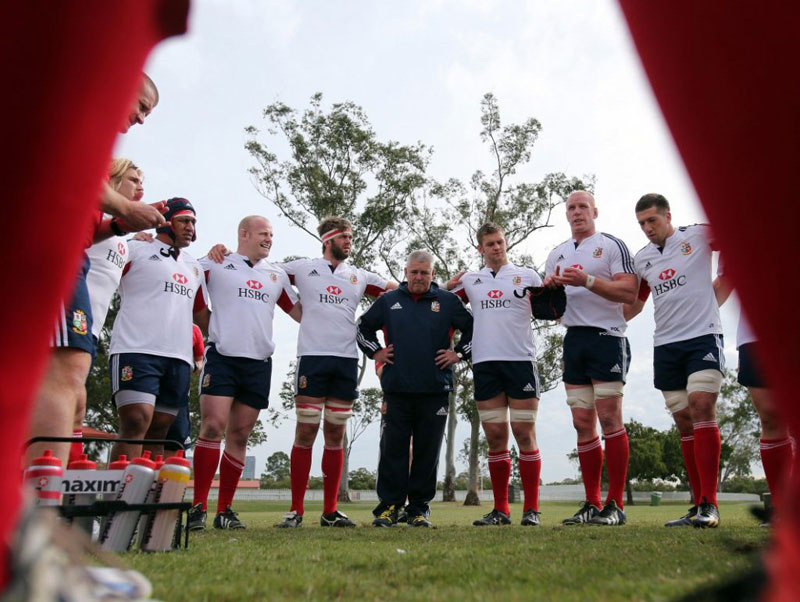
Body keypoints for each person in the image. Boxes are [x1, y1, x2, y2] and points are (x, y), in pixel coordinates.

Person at [26, 77, 167, 466]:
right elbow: (75, 171)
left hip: (71, 256)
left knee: (72, 383)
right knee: (65, 373)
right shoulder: (82, 120)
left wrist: (122, 222)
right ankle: (39, 497)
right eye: (140, 106)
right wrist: (126, 209)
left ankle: (46, 482)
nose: (140, 119)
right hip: (55, 256)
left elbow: (88, 226)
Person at [275, 217, 396, 528]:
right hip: (312, 359)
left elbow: (397, 289)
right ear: (328, 240)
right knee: (305, 432)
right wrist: (293, 309)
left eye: (351, 237)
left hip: (345, 361)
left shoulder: (358, 275)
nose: (349, 241)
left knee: (335, 434)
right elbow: (267, 273)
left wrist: (442, 287)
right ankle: (296, 511)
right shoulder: (303, 267)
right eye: (344, 236)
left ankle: (330, 511)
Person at [187, 216, 301, 531]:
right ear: (244, 234)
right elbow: (186, 274)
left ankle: (225, 511)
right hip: (222, 358)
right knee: (212, 426)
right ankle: (197, 508)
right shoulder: (216, 262)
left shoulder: (276, 274)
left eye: (272, 235)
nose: (269, 239)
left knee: (239, 435)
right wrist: (213, 329)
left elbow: (299, 312)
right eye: (264, 233)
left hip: (259, 363)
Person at [625, 193, 724, 528]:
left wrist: (720, 288)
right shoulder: (641, 259)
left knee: (701, 406)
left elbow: (739, 239)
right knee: (684, 421)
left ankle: (711, 504)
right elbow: (636, 302)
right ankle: (697, 506)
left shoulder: (697, 235)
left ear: (668, 215)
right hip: (665, 345)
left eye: (652, 220)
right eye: (641, 224)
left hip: (703, 337)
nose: (647, 228)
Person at [357, 251, 473, 528]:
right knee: (392, 451)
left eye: (424, 272)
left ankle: (419, 509)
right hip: (397, 389)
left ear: (433, 275)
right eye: (414, 272)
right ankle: (389, 508)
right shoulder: (389, 301)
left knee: (427, 452)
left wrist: (458, 354)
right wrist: (377, 353)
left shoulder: (448, 301)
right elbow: (362, 328)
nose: (419, 277)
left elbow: (475, 330)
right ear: (406, 272)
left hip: (435, 389)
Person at [543, 191, 637, 526]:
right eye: (571, 208)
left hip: (607, 336)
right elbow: (551, 311)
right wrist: (550, 288)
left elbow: (629, 291)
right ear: (566, 215)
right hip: (574, 340)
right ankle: (593, 503)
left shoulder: (612, 245)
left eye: (583, 206)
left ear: (595, 211)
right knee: (582, 423)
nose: (577, 212)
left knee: (609, 418)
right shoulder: (557, 253)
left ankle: (616, 504)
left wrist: (588, 280)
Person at [447, 222, 549, 527]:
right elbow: (442, 304)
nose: (497, 247)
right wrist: (458, 351)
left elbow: (551, 307)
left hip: (520, 362)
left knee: (524, 435)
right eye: (490, 243)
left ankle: (531, 509)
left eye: (500, 241)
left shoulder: (528, 275)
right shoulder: (471, 279)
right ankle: (501, 510)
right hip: (485, 365)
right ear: (480, 248)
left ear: (506, 243)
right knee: (495, 438)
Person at [108, 198, 206, 461]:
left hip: (178, 358)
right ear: (165, 222)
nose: (190, 228)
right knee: (136, 420)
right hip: (135, 349)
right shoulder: (136, 248)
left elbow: (201, 315)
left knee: (160, 429)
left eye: (193, 222)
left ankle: (144, 498)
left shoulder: (195, 266)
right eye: (184, 220)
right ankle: (117, 498)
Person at [714, 269, 794, 521]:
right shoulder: (745, 229)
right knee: (770, 419)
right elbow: (726, 283)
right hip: (753, 336)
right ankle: (781, 509)